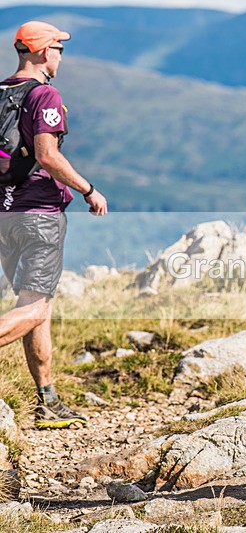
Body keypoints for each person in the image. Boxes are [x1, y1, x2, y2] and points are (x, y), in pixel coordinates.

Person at [0, 21, 108, 429]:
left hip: (5, 215)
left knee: (35, 304)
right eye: (59, 49)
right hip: (38, 215)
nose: (61, 56)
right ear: (44, 52)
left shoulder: (2, 91)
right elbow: (47, 155)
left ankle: (47, 399)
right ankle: (47, 400)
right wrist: (88, 189)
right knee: (35, 308)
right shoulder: (44, 94)